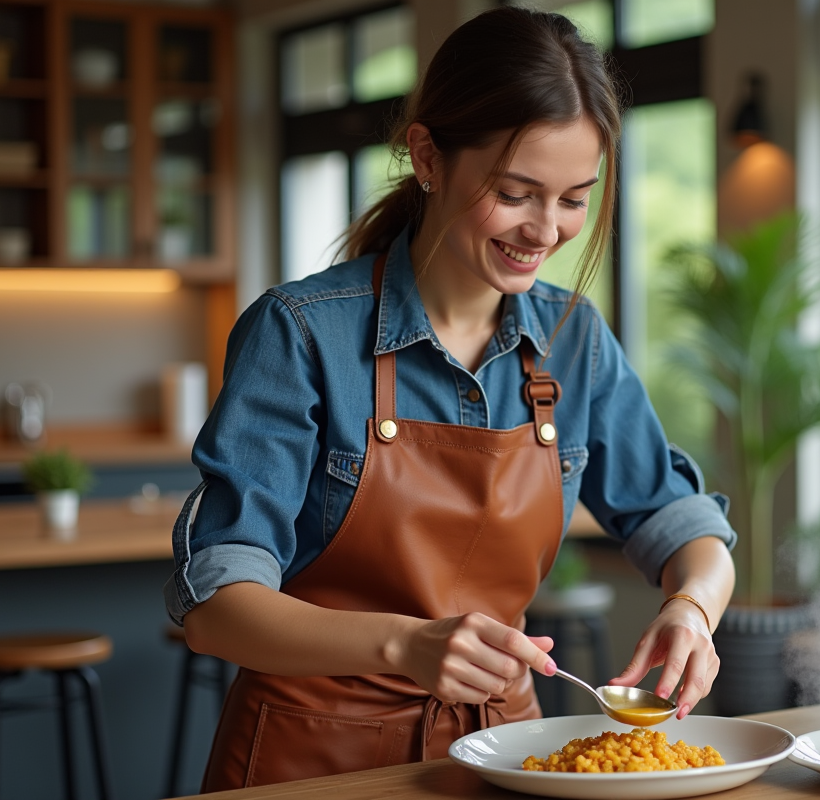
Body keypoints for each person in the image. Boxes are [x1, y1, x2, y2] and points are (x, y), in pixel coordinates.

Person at [164, 6, 736, 791]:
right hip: (310, 761)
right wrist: (405, 645)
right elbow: (215, 604)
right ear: (428, 157)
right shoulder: (299, 334)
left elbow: (683, 524)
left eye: (574, 198)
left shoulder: (575, 341)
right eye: (515, 192)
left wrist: (692, 610)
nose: (546, 230)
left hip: (505, 757)